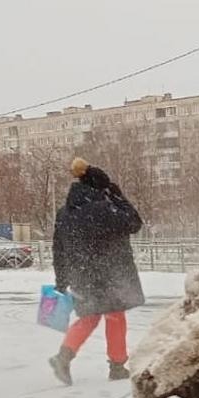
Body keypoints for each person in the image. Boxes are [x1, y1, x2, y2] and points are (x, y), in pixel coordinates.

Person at [49, 158, 145, 385]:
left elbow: (58, 249)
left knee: (89, 317)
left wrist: (61, 280)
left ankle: (63, 357)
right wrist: (116, 194)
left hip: (82, 274)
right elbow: (134, 223)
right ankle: (117, 366)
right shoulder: (106, 209)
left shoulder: (65, 213)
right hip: (110, 273)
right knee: (115, 317)